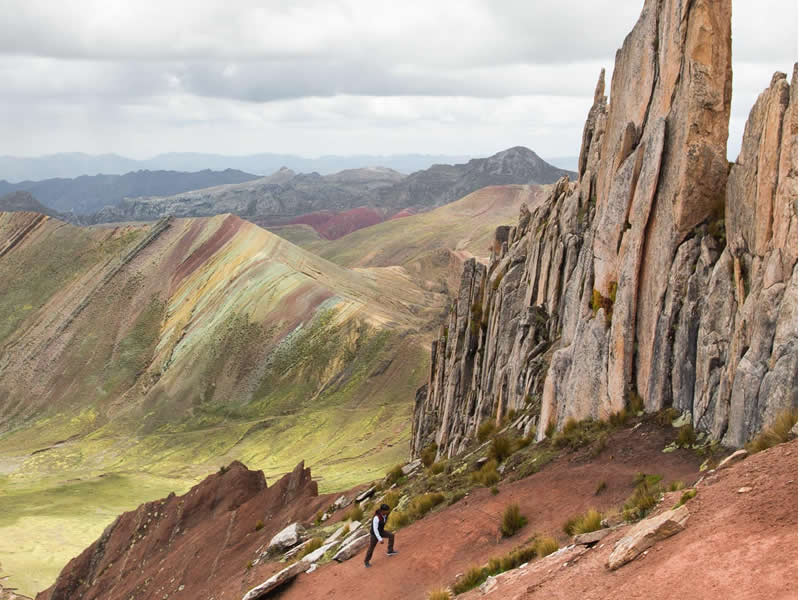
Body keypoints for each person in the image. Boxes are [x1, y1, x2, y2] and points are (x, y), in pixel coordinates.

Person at [364, 503, 397, 567]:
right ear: (382, 511)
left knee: (391, 535)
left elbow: (387, 515)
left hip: (381, 531)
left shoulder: (385, 514)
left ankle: (390, 551)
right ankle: (366, 561)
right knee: (371, 548)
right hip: (374, 534)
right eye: (386, 510)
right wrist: (380, 539)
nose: (388, 511)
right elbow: (375, 530)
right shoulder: (376, 518)